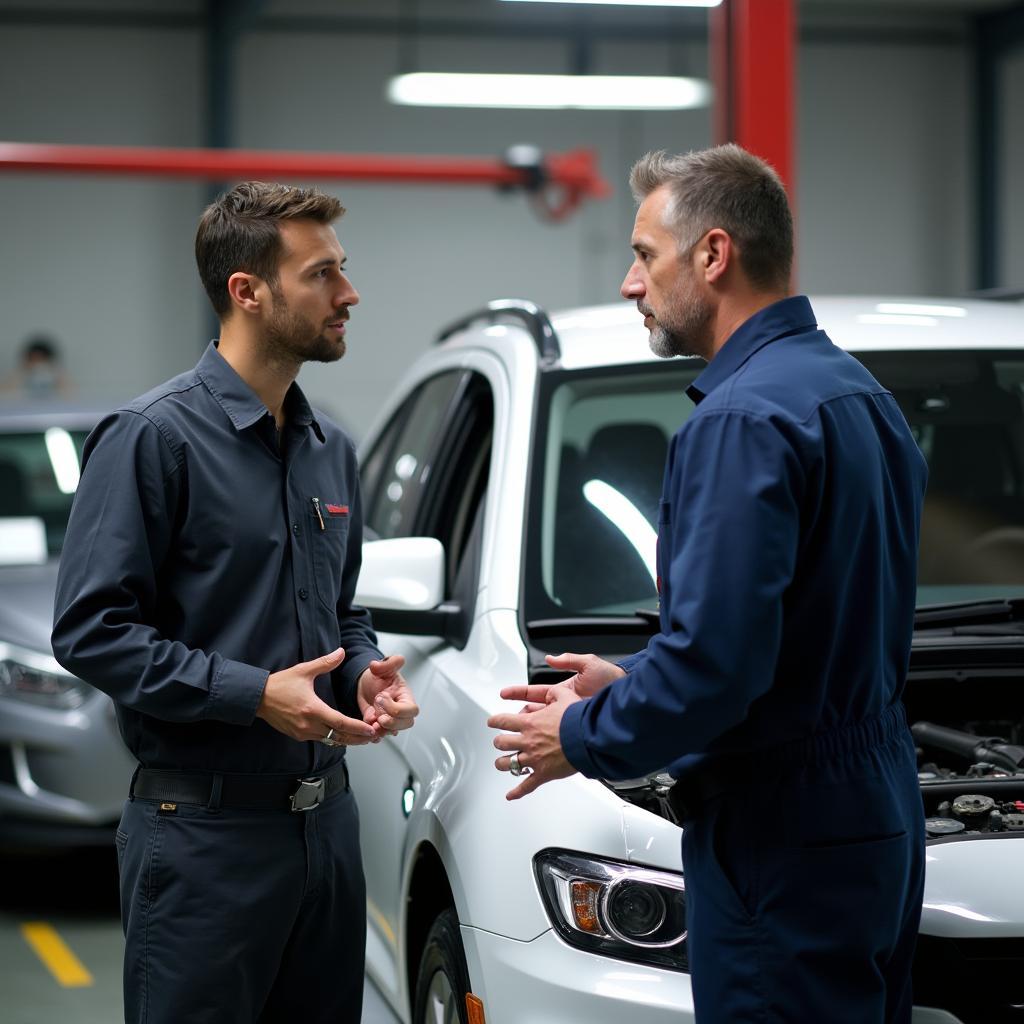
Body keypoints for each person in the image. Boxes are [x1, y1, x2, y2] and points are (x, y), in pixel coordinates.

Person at [488, 145, 928, 1023]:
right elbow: (805, 628)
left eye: (645, 254)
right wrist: (637, 682)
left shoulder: (740, 419)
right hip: (871, 800)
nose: (629, 282)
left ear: (714, 255)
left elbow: (718, 668)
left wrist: (581, 733)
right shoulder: (855, 392)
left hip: (780, 827)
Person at [51, 181, 419, 1024]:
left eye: (343, 270)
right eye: (323, 273)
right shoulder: (154, 438)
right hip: (202, 841)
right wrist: (253, 693)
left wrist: (360, 671)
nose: (349, 294)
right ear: (247, 292)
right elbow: (90, 630)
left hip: (327, 835)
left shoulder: (332, 449)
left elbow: (342, 609)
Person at [0, 334, 73, 397]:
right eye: (33, 360)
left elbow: (71, 395)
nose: (38, 365)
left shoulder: (58, 376)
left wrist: (56, 373)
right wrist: (22, 372)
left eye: (42, 360)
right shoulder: (18, 376)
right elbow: (4, 394)